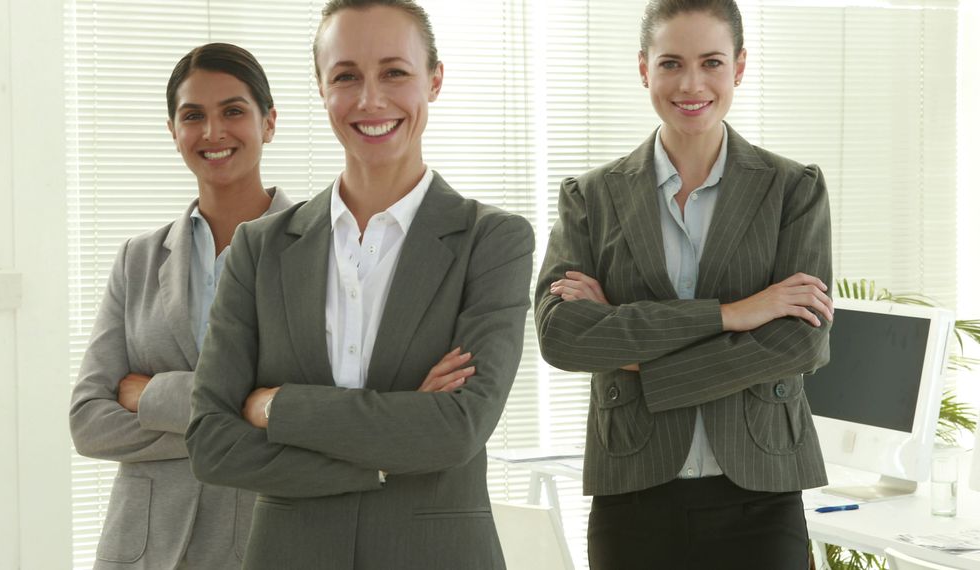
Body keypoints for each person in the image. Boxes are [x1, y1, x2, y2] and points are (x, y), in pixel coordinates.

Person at [185, 1, 534, 568]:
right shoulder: (260, 247)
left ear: (435, 80)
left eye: (394, 72)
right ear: (321, 88)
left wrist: (278, 408)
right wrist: (381, 457)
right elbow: (212, 444)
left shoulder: (491, 241)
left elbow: (456, 429)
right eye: (346, 76)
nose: (371, 99)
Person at [535, 1, 834, 568]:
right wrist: (733, 314)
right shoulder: (591, 198)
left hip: (761, 495)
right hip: (633, 494)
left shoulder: (793, 189)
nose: (691, 84)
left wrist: (638, 362)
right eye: (671, 63)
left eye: (712, 62)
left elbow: (801, 342)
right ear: (644, 68)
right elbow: (564, 336)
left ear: (739, 68)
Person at [69, 43, 293, 569]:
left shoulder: (318, 249)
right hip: (142, 551)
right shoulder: (139, 259)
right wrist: (243, 417)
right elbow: (88, 421)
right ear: (173, 131)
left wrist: (151, 395)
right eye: (193, 116)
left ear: (270, 122)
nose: (213, 132)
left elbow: (313, 412)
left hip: (263, 544)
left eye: (233, 111)